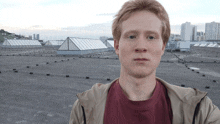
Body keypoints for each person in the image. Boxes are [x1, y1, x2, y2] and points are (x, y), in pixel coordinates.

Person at [69, 0, 220, 123]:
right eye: (132, 36)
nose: (141, 47)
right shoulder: (85, 108)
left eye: (151, 37)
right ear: (116, 45)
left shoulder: (200, 110)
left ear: (162, 47)